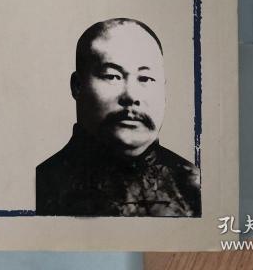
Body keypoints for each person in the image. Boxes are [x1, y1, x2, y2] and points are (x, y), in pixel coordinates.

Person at [35, 17, 201, 217]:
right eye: (112, 76)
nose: (131, 96)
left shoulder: (194, 187)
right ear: (77, 86)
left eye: (145, 78)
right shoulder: (39, 186)